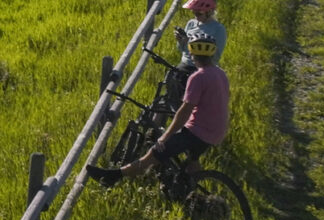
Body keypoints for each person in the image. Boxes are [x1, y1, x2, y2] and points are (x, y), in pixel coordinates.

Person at [90, 34, 229, 186]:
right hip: (216, 132)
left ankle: (114, 177)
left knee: (154, 154)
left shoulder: (197, 77)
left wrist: (164, 137)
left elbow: (184, 111)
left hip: (198, 132)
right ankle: (193, 195)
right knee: (192, 163)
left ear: (191, 53)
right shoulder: (220, 73)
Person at [165, 0, 226, 105]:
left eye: (199, 14)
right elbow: (182, 50)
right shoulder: (191, 24)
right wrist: (182, 42)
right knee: (171, 85)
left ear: (209, 12)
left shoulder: (218, 29)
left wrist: (192, 46)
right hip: (185, 64)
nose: (196, 17)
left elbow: (216, 55)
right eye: (194, 14)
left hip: (202, 67)